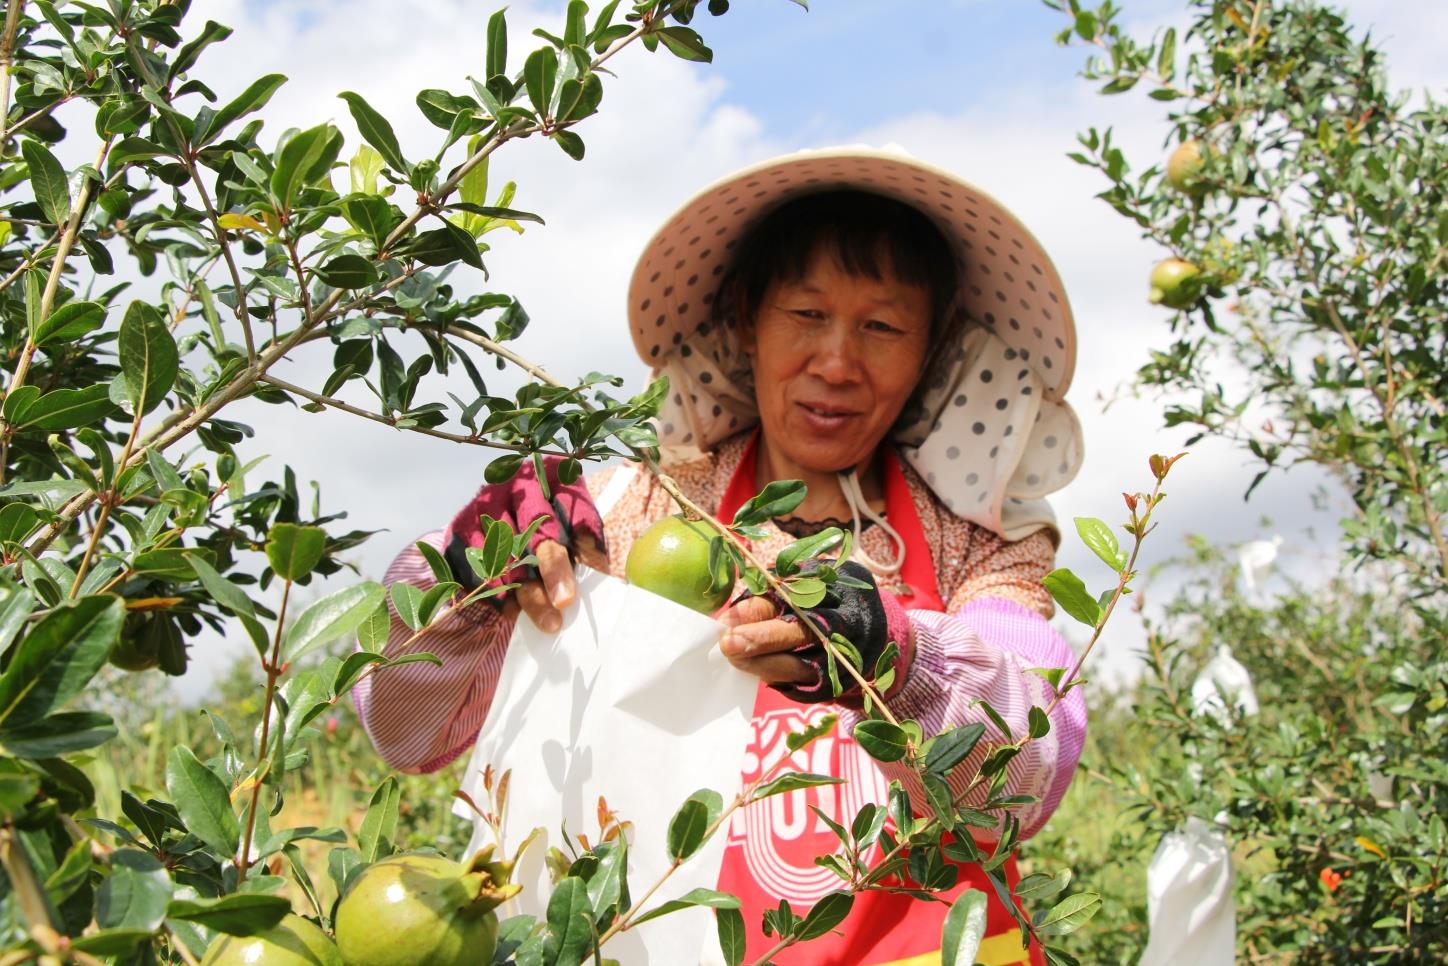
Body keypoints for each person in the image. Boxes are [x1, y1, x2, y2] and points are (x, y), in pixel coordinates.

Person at [355, 147, 1087, 966]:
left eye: (883, 327)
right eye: (806, 316)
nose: (838, 363)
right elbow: (405, 732)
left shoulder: (981, 544)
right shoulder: (634, 510)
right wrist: (466, 580)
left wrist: (898, 660)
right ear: (747, 317)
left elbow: (1032, 767)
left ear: (934, 346)